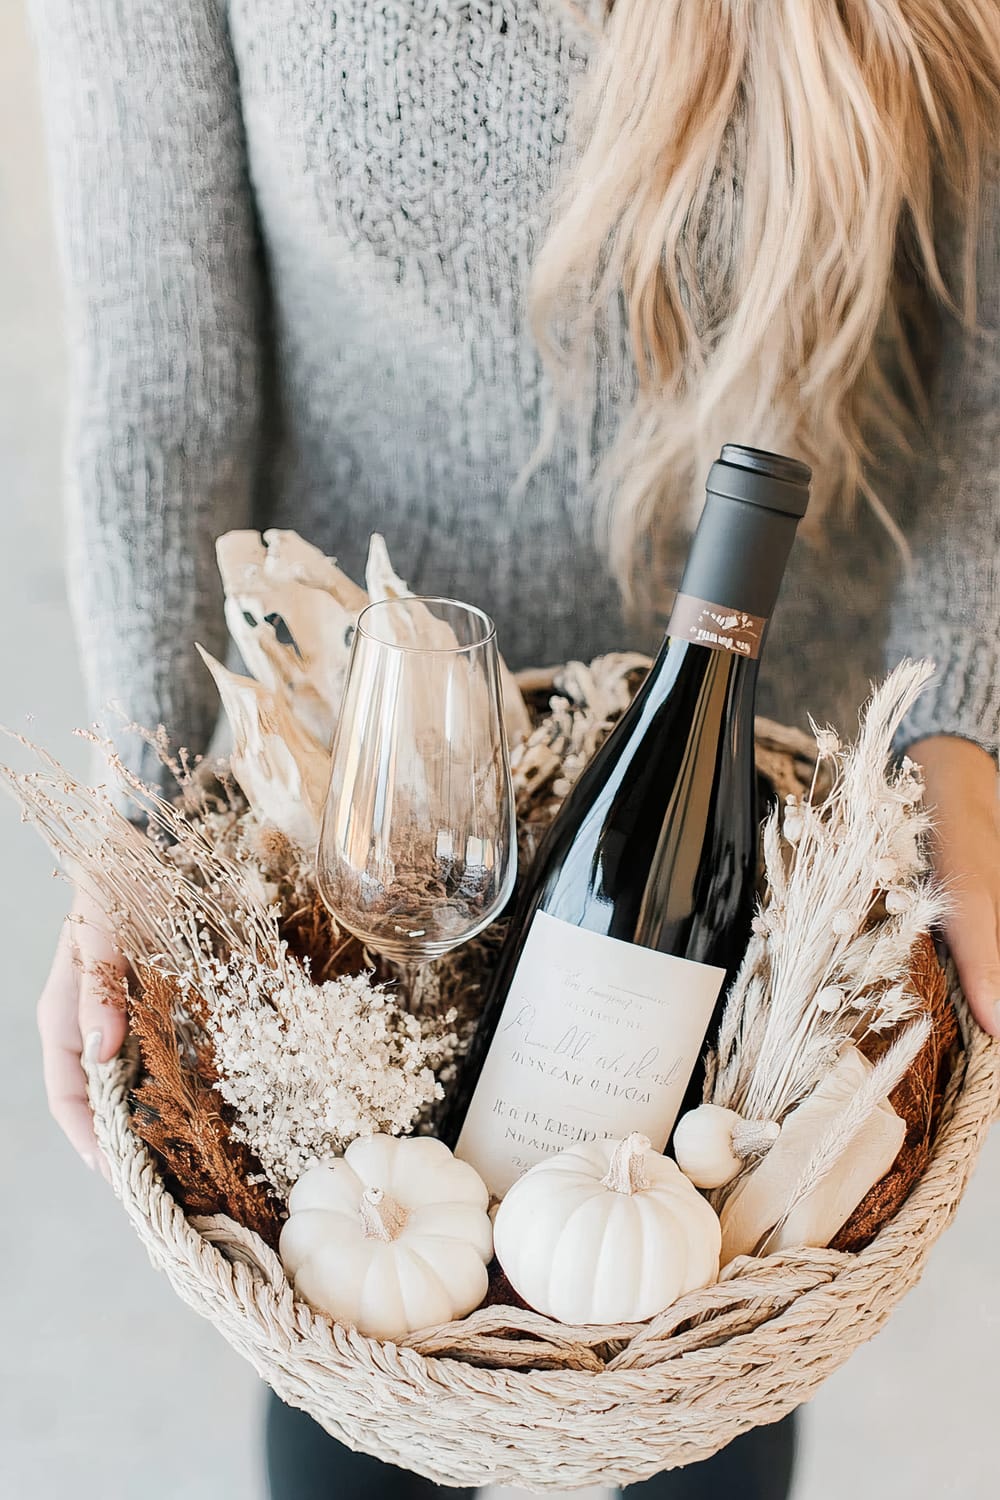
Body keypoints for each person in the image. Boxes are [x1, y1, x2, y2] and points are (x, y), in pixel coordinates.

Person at [28, 1, 1000, 1496]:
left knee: (684, 1397)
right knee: (366, 1350)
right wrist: (143, 850)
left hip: (736, 902)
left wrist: (964, 785)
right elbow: (166, 380)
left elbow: (982, 403)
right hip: (358, 846)